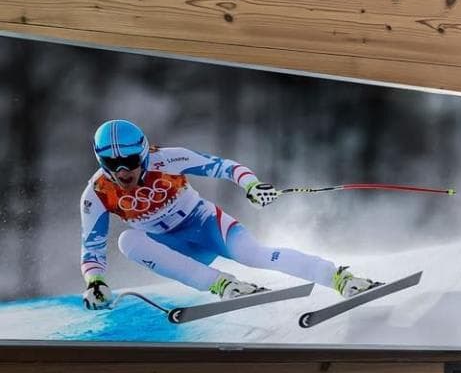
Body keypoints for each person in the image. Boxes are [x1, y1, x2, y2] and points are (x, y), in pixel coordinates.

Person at [79, 119, 379, 311]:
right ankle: (223, 284)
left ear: (143, 152)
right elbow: (91, 248)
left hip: (206, 224)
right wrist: (95, 281)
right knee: (128, 241)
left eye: (130, 161)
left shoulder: (167, 159)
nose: (123, 172)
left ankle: (340, 278)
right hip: (176, 250)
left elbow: (225, 167)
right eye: (112, 163)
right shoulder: (96, 193)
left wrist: (251, 185)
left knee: (256, 256)